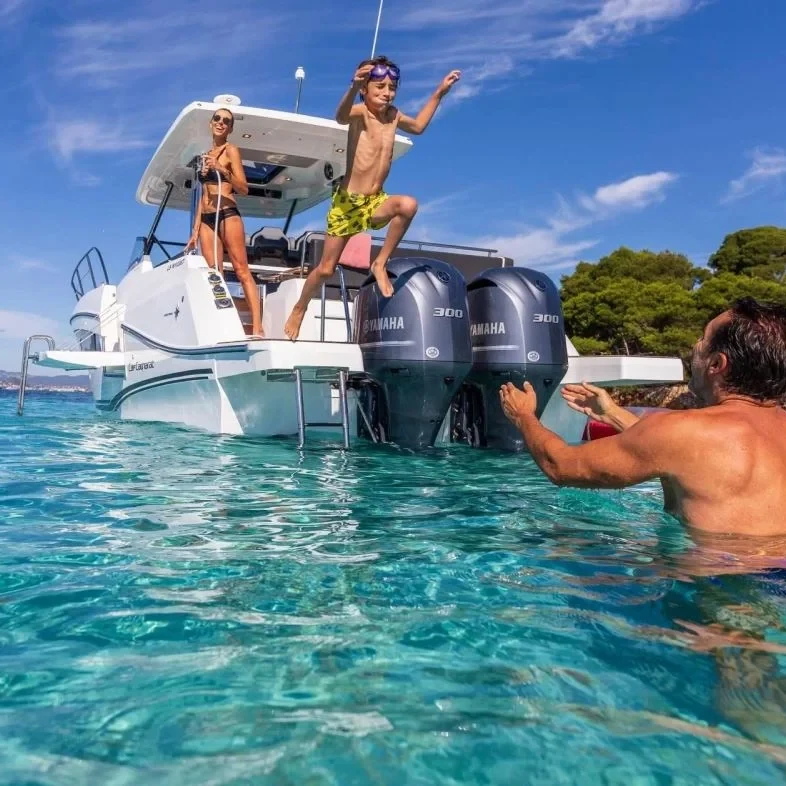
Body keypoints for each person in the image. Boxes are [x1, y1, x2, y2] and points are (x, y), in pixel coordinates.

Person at [499, 297, 786, 535]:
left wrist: (525, 416)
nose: (693, 347)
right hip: (773, 575)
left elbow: (559, 465)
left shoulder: (683, 430)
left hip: (725, 588)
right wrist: (611, 413)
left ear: (716, 364)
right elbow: (683, 451)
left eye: (702, 338)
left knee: (567, 545)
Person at [283, 56, 461, 340]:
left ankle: (380, 263)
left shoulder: (393, 116)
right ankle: (300, 306)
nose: (386, 92)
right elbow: (340, 117)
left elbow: (418, 127)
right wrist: (353, 86)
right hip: (347, 204)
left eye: (392, 87)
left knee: (408, 205)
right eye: (379, 86)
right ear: (366, 89)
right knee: (327, 269)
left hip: (374, 201)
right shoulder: (360, 112)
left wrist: (439, 92)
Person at [186, 108, 263, 337]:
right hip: (207, 218)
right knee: (215, 275)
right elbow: (205, 195)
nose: (221, 122)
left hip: (228, 213)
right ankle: (222, 325)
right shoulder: (207, 154)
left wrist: (222, 170)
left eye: (226, 121)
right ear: (211, 123)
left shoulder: (231, 151)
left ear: (230, 128)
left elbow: (244, 188)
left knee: (241, 270)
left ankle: (258, 327)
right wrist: (195, 230)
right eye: (217, 118)